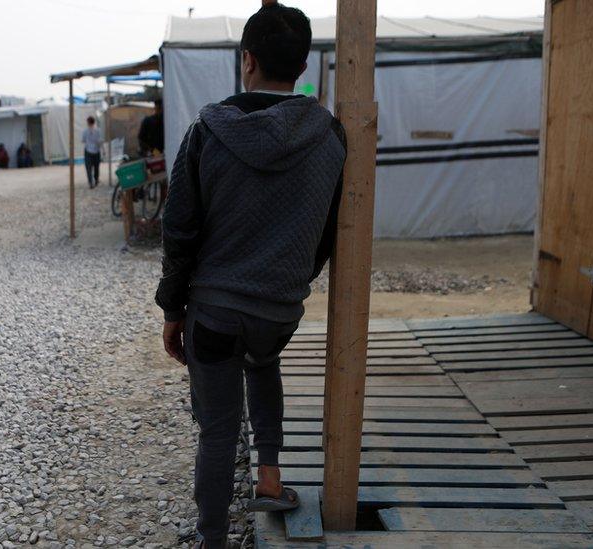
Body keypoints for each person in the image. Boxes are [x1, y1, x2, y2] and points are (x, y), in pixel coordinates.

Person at [154, 4, 346, 547]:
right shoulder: (331, 136)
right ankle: (269, 477)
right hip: (279, 312)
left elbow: (180, 230)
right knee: (262, 360)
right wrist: (288, 280)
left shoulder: (208, 132)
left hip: (214, 314)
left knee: (217, 430)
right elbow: (329, 232)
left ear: (248, 61)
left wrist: (173, 311)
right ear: (303, 68)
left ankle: (212, 539)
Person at [81, 116, 103, 188]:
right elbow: (100, 141)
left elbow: (83, 140)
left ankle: (91, 182)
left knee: (89, 168)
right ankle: (96, 180)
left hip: (88, 151)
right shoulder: (98, 130)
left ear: (88, 122)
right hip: (96, 151)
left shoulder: (85, 131)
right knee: (96, 167)